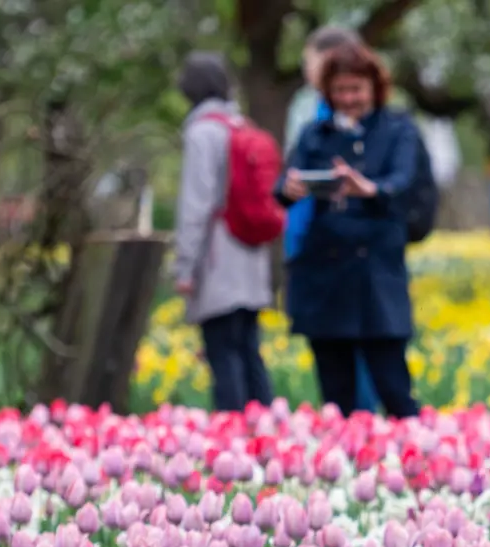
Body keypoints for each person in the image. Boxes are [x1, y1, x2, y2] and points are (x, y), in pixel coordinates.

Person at [274, 42, 421, 418]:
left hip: (376, 275)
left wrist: (371, 189)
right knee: (336, 395)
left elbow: (406, 183)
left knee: (394, 387)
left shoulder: (398, 129)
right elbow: (284, 186)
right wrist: (289, 189)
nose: (348, 98)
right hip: (326, 276)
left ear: (374, 87)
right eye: (340, 90)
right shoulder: (314, 134)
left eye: (356, 89)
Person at [283, 26, 381, 415]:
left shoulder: (334, 115)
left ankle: (362, 436)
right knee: (342, 364)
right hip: (324, 253)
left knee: (355, 362)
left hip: (337, 253)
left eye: (310, 61)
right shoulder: (313, 112)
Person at [172, 52, 274, 412]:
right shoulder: (240, 125)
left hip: (218, 260)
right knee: (249, 350)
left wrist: (185, 267)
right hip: (250, 256)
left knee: (223, 353)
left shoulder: (203, 132)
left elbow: (196, 206)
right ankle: (266, 430)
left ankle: (231, 435)